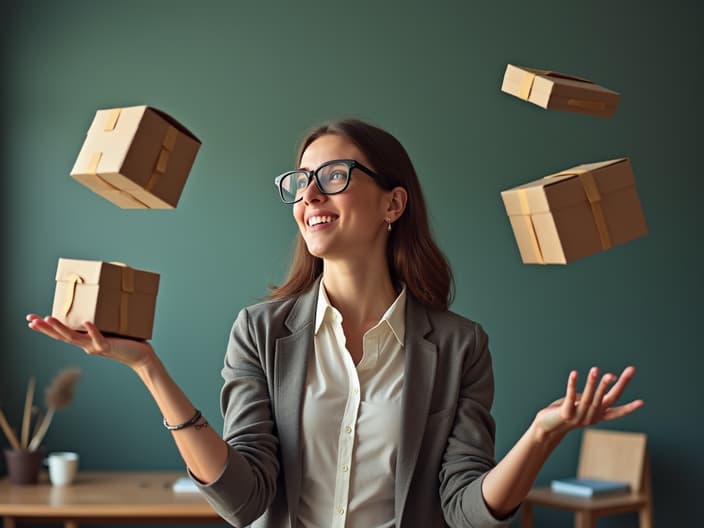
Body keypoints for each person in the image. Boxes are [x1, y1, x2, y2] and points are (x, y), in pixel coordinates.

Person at [27, 118, 643, 528]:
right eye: (300, 183)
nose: (309, 196)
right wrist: (148, 368)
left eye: (334, 178)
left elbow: (464, 511)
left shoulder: (459, 345)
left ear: (393, 204)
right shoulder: (260, 333)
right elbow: (244, 500)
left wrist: (542, 434)